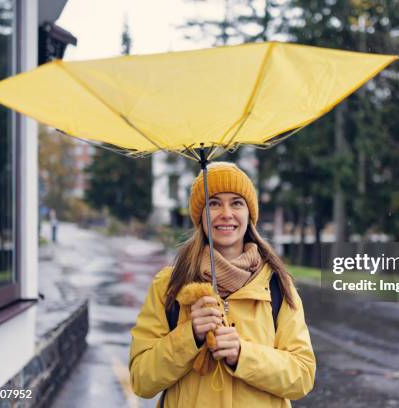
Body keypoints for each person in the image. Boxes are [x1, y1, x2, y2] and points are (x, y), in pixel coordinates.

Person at [129, 162, 316, 407]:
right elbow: (142, 381)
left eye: (236, 203)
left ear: (249, 214)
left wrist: (243, 355)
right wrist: (190, 336)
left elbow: (302, 375)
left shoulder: (278, 285)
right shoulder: (168, 285)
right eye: (214, 203)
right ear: (200, 216)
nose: (226, 213)